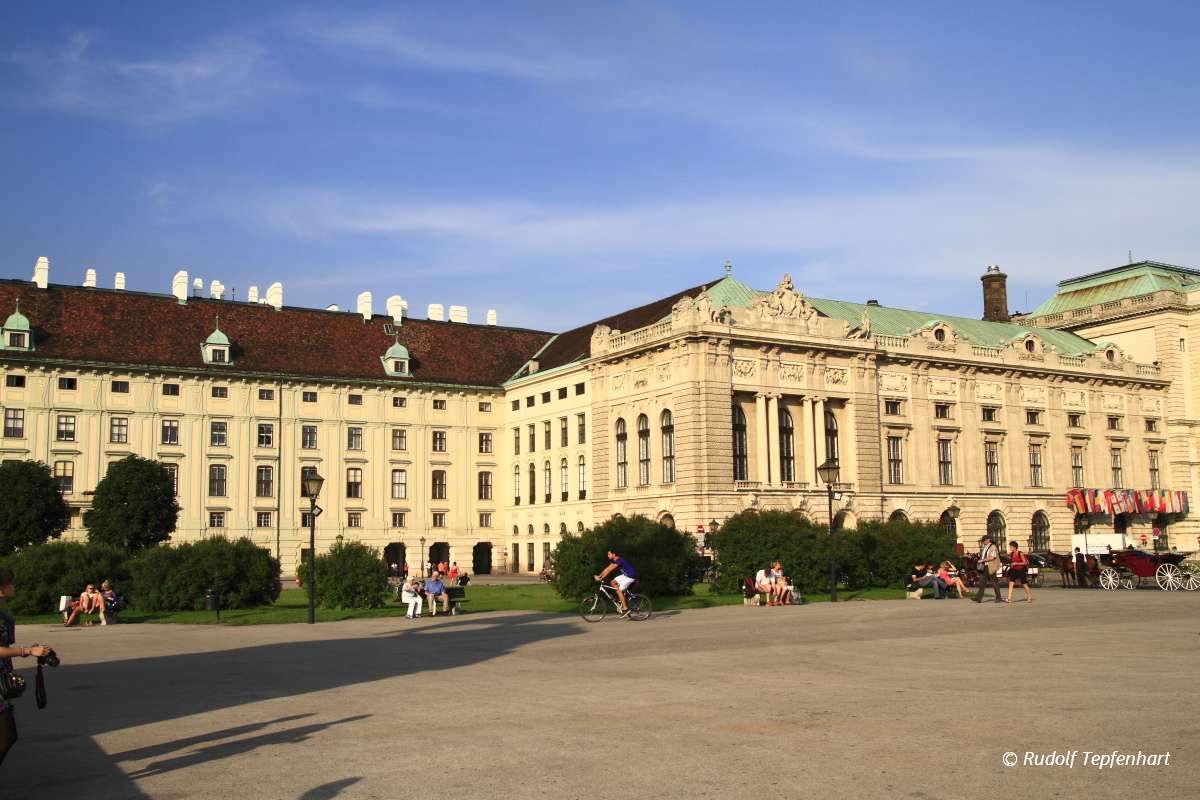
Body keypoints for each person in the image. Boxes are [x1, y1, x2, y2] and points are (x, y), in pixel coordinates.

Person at [0, 566, 55, 766]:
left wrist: (33, 651)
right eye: (11, 583)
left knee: (7, 735)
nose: (14, 586)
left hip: (2, 681)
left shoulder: (4, 615)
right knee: (6, 736)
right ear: (2, 589)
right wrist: (27, 651)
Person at [594, 549, 637, 616]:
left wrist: (601, 578)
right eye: (608, 554)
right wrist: (599, 575)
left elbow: (610, 570)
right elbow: (607, 568)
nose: (608, 556)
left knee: (618, 590)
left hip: (630, 576)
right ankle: (621, 600)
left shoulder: (619, 560)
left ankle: (625, 608)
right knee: (612, 582)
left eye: (609, 554)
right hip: (625, 575)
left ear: (614, 554)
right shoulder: (613, 560)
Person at [972, 535, 1004, 603]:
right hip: (985, 566)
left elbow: (992, 557)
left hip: (990, 566)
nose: (983, 542)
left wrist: (982, 560)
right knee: (982, 582)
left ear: (988, 540)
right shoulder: (985, 547)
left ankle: (999, 598)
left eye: (984, 541)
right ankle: (978, 598)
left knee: (994, 582)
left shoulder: (993, 547)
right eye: (982, 541)